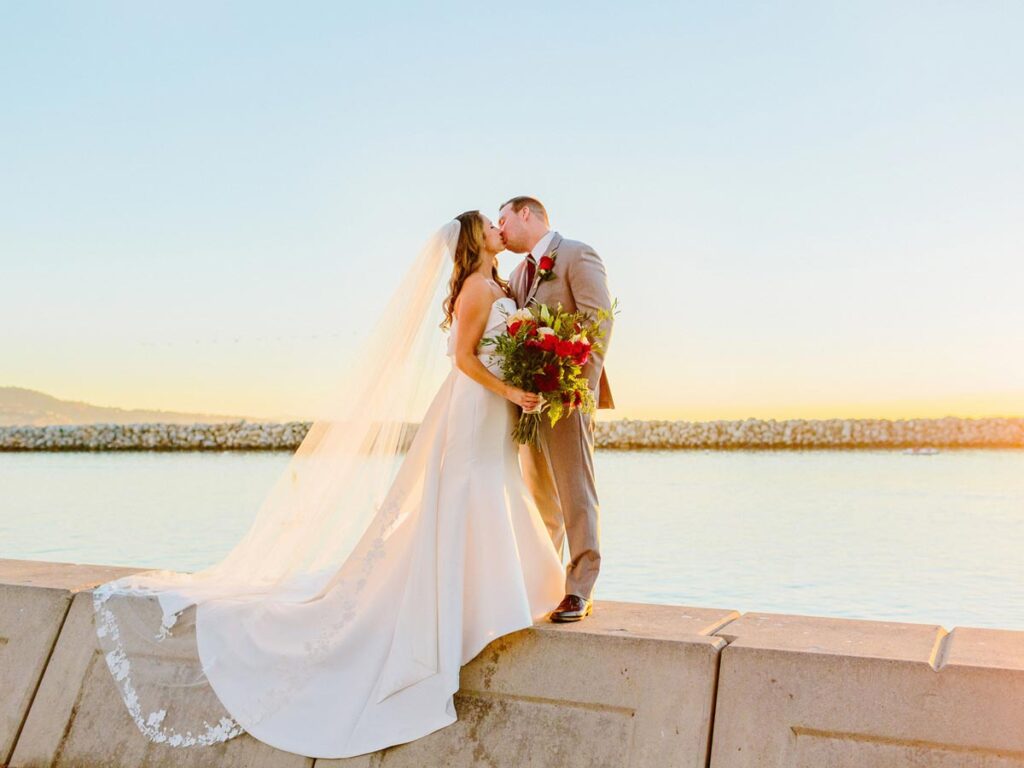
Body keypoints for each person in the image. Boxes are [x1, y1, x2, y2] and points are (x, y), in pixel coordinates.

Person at [93, 212, 565, 759]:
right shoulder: (476, 288)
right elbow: (462, 359)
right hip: (475, 408)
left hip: (493, 411)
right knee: (468, 496)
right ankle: (471, 603)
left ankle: (501, 592)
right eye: (487, 223)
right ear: (473, 240)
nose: (495, 227)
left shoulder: (498, 284)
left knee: (492, 491)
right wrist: (510, 392)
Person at [498, 195, 615, 622]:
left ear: (525, 213)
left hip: (566, 396)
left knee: (575, 491)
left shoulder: (575, 254)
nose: (502, 229)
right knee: (539, 496)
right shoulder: (514, 273)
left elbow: (598, 320)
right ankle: (546, 583)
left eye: (503, 219)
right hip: (527, 403)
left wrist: (574, 389)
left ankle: (580, 589)